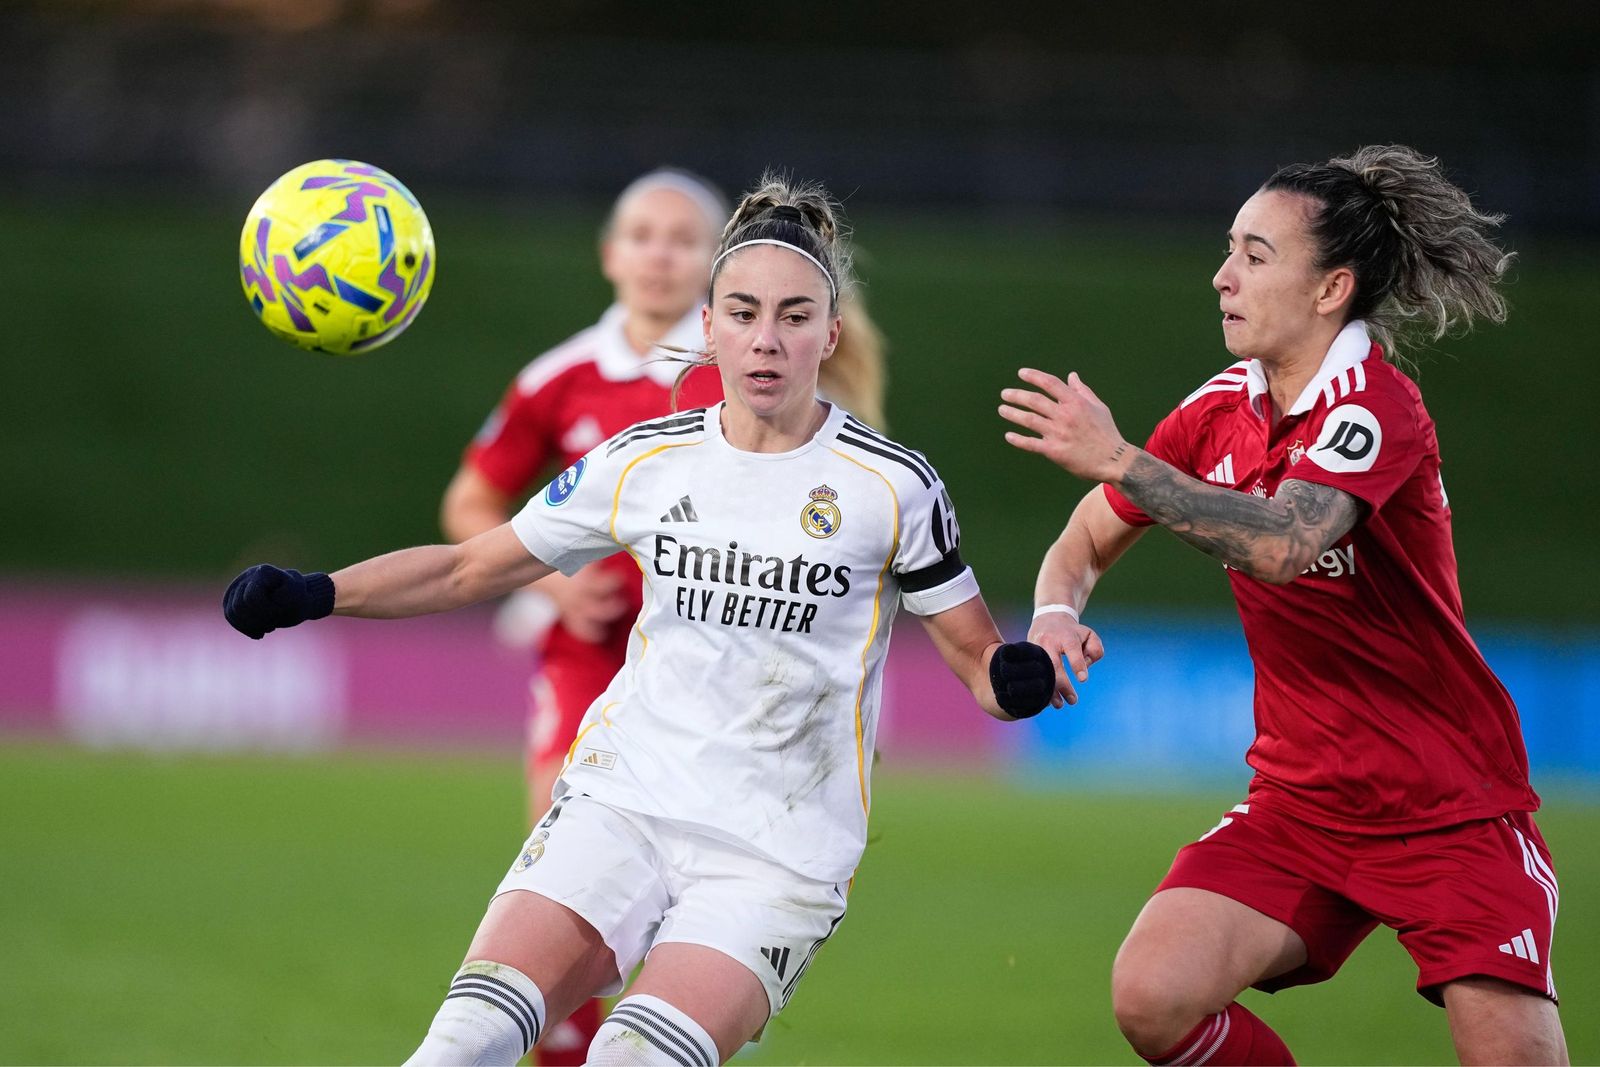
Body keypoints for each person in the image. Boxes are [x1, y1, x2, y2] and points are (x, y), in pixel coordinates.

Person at [224, 174, 1056, 1066]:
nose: (765, 340)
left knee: (629, 1057)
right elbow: (471, 563)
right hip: (623, 804)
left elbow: (980, 660)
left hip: (775, 853)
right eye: (741, 312)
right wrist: (316, 591)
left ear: (831, 332)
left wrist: (1020, 674)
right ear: (708, 327)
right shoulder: (643, 460)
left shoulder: (892, 486)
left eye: (793, 315)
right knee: (460, 1043)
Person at [1000, 144, 1566, 1066]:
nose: (1223, 276)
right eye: (1229, 249)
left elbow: (1281, 544)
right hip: (1302, 804)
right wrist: (1056, 609)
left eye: (1256, 256)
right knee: (1154, 995)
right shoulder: (1221, 406)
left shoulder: (1374, 405)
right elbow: (1086, 537)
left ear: (1330, 288)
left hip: (1449, 805)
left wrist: (1121, 457)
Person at [439, 167, 887, 1062]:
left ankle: (700, 994)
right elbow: (470, 506)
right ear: (610, 254)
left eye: (683, 239)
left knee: (683, 928)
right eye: (642, 235)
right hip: (589, 659)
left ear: (711, 263)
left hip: (734, 680)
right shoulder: (559, 377)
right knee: (560, 886)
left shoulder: (743, 359)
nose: (659, 254)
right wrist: (554, 583)